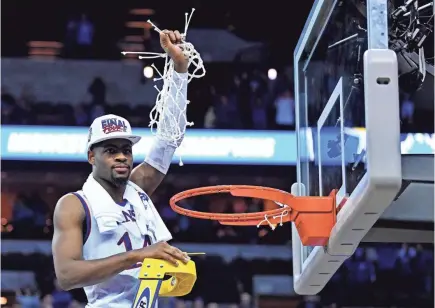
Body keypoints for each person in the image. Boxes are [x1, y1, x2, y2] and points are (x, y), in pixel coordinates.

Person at [52, 29, 191, 307]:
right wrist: (138, 255)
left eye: (126, 150)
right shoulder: (74, 205)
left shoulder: (137, 188)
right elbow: (66, 276)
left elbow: (168, 140)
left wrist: (179, 70)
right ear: (92, 156)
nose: (121, 157)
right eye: (111, 151)